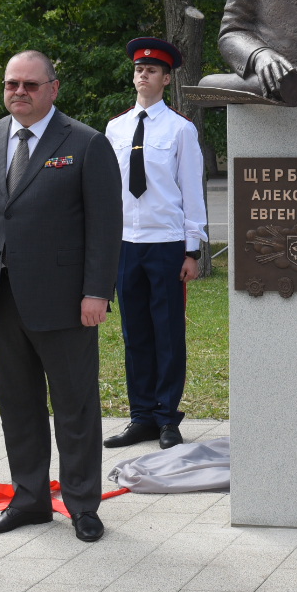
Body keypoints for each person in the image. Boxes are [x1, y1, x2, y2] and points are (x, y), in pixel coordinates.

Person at [0, 51, 122, 543]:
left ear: (54, 87)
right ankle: (28, 500)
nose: (19, 92)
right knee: (18, 405)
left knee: (75, 408)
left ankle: (83, 505)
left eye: (30, 84)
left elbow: (105, 228)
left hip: (66, 301)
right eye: (11, 84)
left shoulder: (86, 143)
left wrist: (97, 293)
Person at [103, 37, 207, 451]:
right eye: (138, 69)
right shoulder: (116, 128)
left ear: (166, 79)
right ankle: (141, 416)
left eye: (151, 70)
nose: (142, 74)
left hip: (165, 245)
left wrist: (192, 248)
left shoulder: (181, 129)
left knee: (167, 332)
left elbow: (191, 191)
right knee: (135, 333)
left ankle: (167, 417)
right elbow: (109, 189)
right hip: (126, 243)